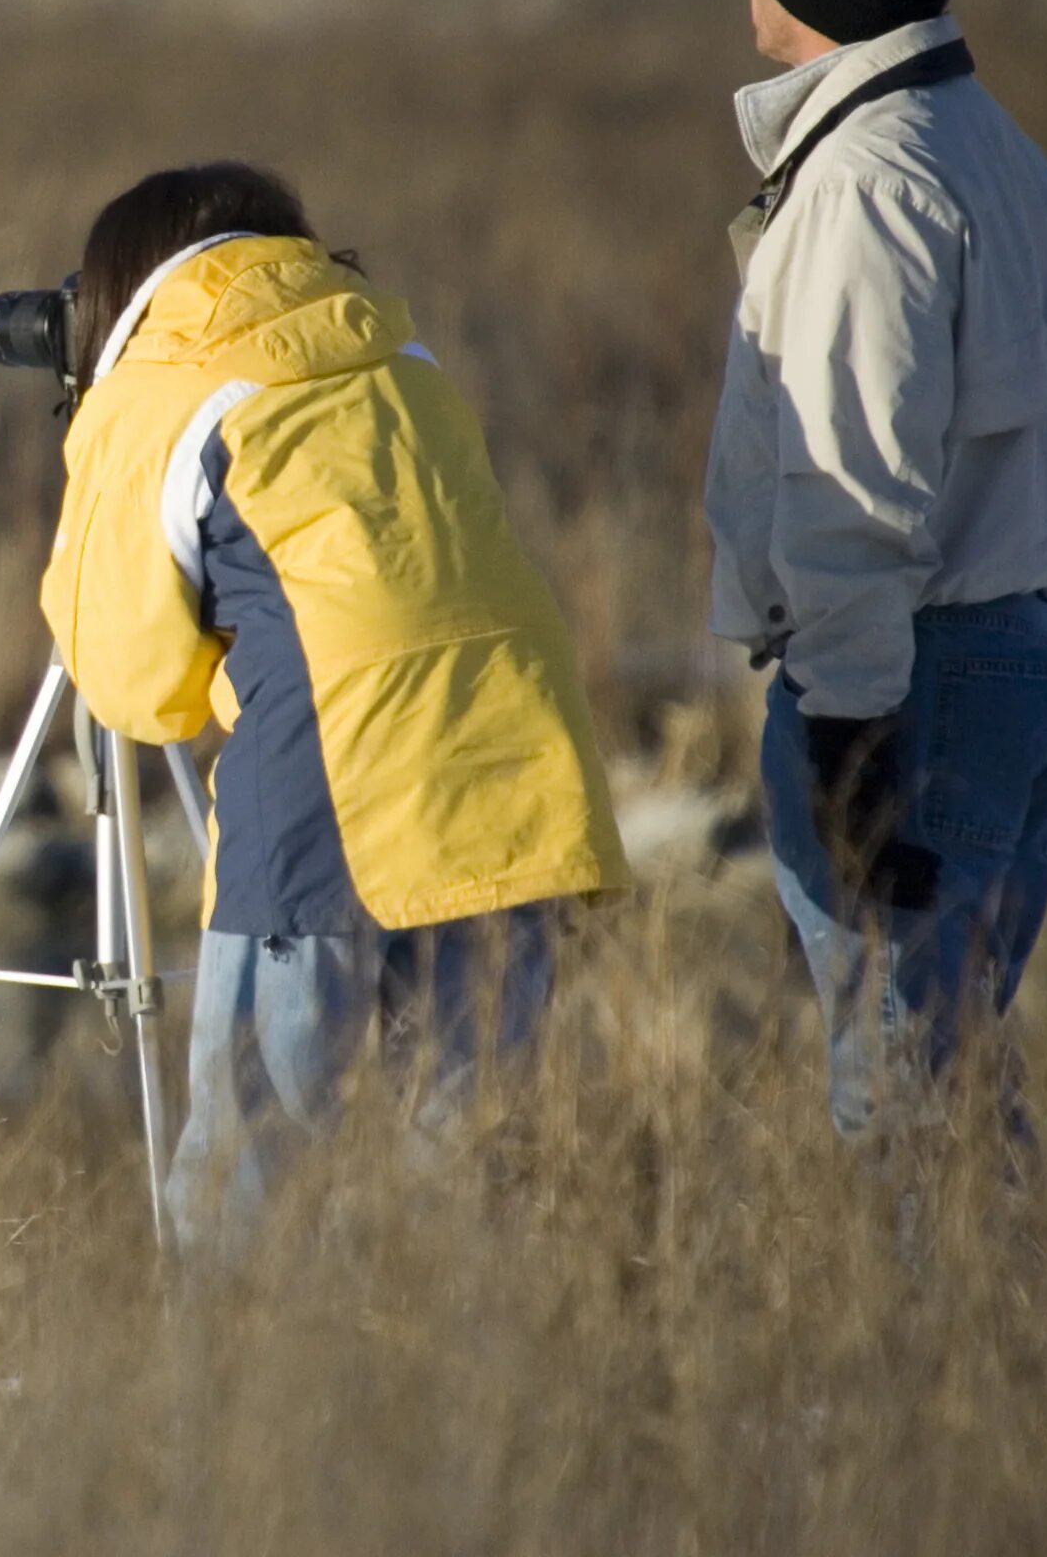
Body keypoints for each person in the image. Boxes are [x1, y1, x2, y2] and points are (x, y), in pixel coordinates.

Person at [39, 162, 631, 1252]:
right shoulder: (399, 354)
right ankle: (463, 1406)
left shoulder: (161, 389)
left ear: (120, 292)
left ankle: (219, 1402)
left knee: (248, 1168)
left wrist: (100, 462)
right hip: (515, 764)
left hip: (326, 785)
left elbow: (134, 685)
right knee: (469, 1161)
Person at [709, 0, 1047, 1143]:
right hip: (1011, 649)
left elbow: (848, 479)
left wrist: (848, 732)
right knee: (946, 1071)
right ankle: (1015, 1344)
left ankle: (945, 1350)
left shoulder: (864, 188)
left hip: (913, 678)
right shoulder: (987, 148)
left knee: (903, 1101)